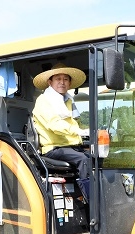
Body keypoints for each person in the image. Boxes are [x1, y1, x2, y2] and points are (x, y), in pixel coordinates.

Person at [32, 63, 90, 199]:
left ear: (69, 83)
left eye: (65, 79)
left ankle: (93, 195)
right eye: (58, 79)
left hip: (69, 147)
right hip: (53, 149)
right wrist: (79, 132)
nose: (62, 82)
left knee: (98, 157)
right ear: (49, 82)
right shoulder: (44, 101)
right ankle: (92, 203)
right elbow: (55, 125)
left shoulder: (68, 101)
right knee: (83, 160)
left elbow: (76, 124)